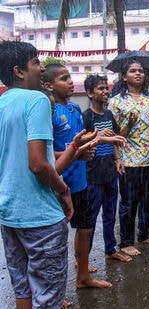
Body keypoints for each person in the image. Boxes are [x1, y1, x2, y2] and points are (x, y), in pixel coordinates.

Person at [0, 40, 72, 309]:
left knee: (23, 289)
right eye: (36, 63)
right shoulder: (37, 100)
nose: (42, 69)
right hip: (40, 217)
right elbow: (38, 164)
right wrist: (63, 190)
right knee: (48, 296)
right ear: (19, 71)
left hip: (9, 214)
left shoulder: (2, 103)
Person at [43, 63, 116, 289]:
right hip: (58, 184)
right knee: (55, 239)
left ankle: (83, 277)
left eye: (69, 77)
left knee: (85, 229)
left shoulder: (75, 108)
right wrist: (75, 152)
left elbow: (81, 141)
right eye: (63, 78)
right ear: (48, 85)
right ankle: (53, 289)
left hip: (80, 181)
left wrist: (99, 141)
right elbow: (44, 151)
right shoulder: (49, 110)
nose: (69, 82)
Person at [108, 60, 149, 256]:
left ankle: (145, 234)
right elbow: (115, 135)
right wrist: (128, 126)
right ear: (124, 76)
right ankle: (126, 241)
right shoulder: (116, 102)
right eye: (132, 71)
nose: (138, 74)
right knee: (129, 202)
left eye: (140, 71)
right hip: (129, 160)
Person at [82, 74, 131, 262]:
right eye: (100, 88)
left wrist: (118, 159)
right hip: (93, 175)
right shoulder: (86, 116)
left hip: (110, 173)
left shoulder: (109, 114)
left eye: (106, 88)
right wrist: (98, 134)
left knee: (110, 215)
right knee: (91, 218)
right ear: (89, 93)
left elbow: (116, 139)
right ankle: (83, 257)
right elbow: (81, 143)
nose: (105, 92)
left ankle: (110, 249)